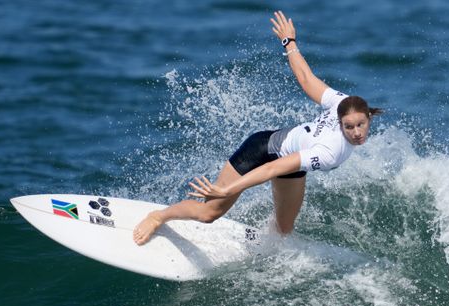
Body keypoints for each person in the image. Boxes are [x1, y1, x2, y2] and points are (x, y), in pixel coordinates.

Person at [133, 10, 382, 245]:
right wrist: (227, 189)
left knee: (284, 229)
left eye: (361, 125)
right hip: (262, 149)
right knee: (210, 212)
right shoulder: (330, 151)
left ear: (369, 118)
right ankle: (159, 216)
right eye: (349, 127)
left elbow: (307, 79)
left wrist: (290, 41)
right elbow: (272, 167)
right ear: (340, 122)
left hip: (291, 163)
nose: (357, 132)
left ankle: (260, 246)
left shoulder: (345, 104)